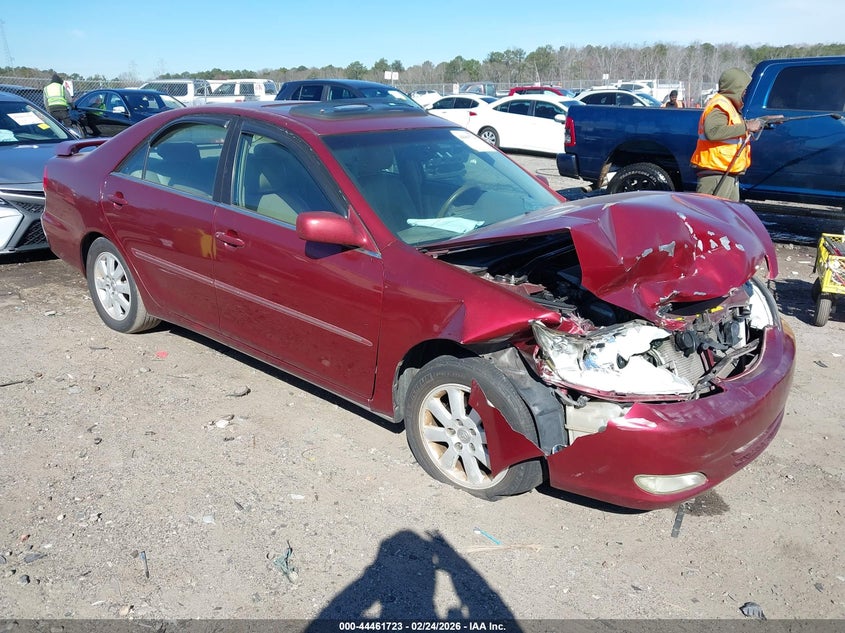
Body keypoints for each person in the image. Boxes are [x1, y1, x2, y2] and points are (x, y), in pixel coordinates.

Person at [690, 68, 763, 201]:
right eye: (744, 87)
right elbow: (713, 132)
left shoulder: (729, 105)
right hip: (716, 173)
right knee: (713, 218)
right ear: (735, 87)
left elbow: (730, 127)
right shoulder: (720, 105)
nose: (746, 91)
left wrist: (763, 122)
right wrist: (747, 126)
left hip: (726, 171)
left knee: (728, 218)